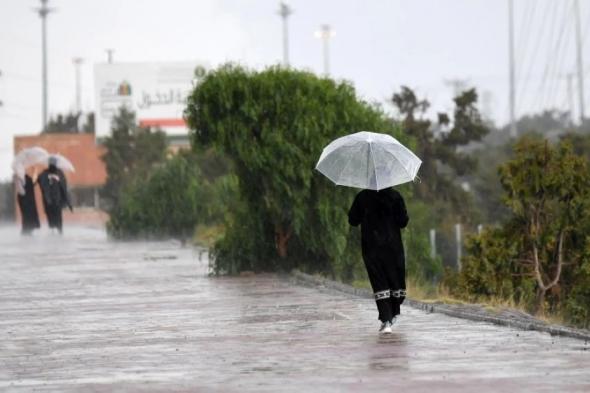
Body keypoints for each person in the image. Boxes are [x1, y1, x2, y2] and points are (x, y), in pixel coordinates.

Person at [348, 187, 409, 334]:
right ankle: (392, 314)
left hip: (371, 247)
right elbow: (403, 222)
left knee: (379, 282)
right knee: (394, 281)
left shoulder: (362, 197)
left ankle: (386, 319)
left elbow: (353, 220)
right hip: (393, 248)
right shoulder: (395, 196)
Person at [37, 157, 72, 234]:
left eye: (53, 163)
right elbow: (39, 181)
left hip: (57, 201)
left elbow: (64, 186)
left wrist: (67, 201)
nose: (52, 165)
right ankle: (53, 234)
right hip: (48, 201)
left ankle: (59, 233)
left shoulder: (59, 173)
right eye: (51, 163)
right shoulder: (44, 174)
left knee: (58, 220)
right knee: (51, 220)